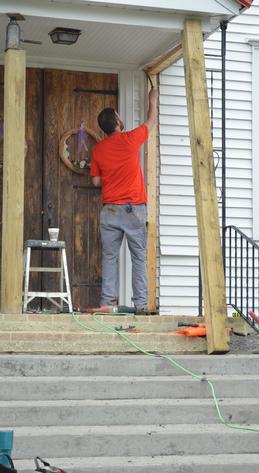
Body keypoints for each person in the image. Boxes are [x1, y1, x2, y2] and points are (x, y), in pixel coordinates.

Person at [90, 87, 158, 313]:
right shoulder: (130, 139)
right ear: (117, 121)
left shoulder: (98, 149)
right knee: (138, 257)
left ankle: (107, 304)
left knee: (110, 258)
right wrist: (152, 99)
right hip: (133, 209)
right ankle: (141, 306)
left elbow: (96, 183)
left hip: (109, 210)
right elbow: (151, 121)